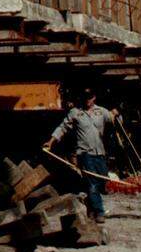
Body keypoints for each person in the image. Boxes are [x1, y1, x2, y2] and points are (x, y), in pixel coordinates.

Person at [44, 88, 118, 223]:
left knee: (102, 182)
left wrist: (116, 115)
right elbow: (62, 128)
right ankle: (99, 212)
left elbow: (114, 121)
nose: (87, 100)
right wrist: (51, 141)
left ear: (94, 97)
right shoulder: (75, 113)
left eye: (89, 97)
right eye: (85, 97)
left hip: (100, 153)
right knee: (93, 183)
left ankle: (89, 205)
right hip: (84, 154)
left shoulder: (101, 111)